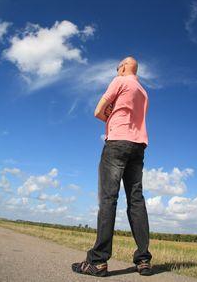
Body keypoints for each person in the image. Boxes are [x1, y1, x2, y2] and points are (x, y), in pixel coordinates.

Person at [72, 57, 152, 277]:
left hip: (117, 142)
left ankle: (97, 261)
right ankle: (143, 259)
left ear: (124, 67)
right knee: (136, 199)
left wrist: (110, 115)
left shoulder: (120, 81)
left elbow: (98, 110)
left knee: (109, 198)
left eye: (118, 67)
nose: (117, 70)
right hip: (138, 145)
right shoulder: (144, 92)